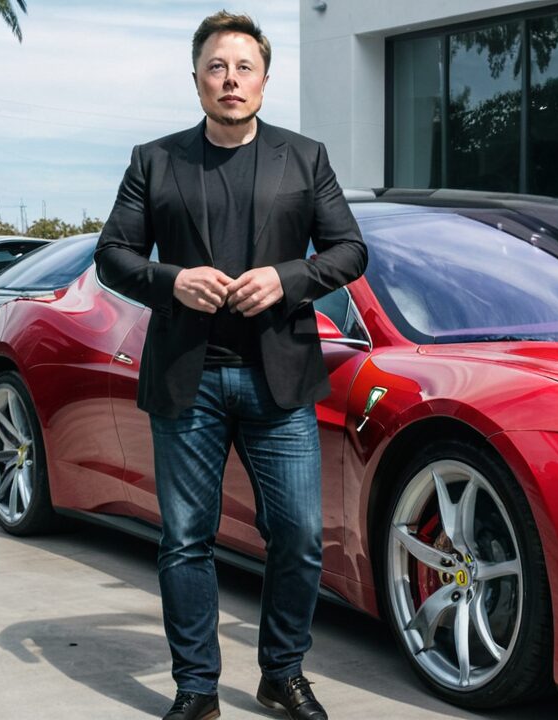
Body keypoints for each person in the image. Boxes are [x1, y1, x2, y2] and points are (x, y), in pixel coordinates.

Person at [94, 11, 366, 720]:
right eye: (217, 66)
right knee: (186, 540)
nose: (230, 79)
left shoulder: (304, 158)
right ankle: (196, 688)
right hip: (190, 379)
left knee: (301, 537)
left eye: (244, 67)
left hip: (281, 379)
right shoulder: (154, 160)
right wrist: (170, 280)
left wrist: (288, 278)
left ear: (265, 81)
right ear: (196, 79)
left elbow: (348, 249)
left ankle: (282, 671)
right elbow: (113, 256)